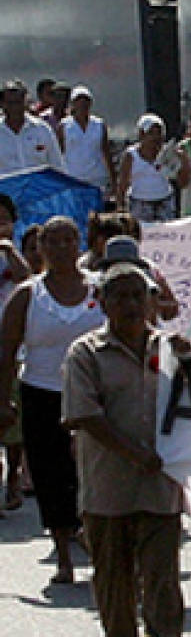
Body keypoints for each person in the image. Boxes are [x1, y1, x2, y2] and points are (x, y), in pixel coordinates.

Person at [61, 251, 187, 637]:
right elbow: (84, 416)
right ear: (102, 303)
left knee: (163, 585)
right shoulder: (85, 353)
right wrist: (136, 454)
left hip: (160, 489)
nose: (130, 305)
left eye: (137, 296)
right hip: (108, 492)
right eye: (119, 297)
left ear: (152, 300)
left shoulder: (172, 350)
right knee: (115, 587)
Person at [0, 216, 105, 584]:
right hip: (41, 394)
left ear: (79, 244)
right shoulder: (29, 296)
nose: (62, 248)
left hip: (93, 395)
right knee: (50, 474)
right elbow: (8, 351)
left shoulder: (99, 289)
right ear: (41, 249)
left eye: (68, 240)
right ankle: (63, 554)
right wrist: (3, 401)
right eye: (53, 242)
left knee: (90, 473)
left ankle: (94, 540)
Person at [0, 194, 30, 511]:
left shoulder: (19, 253)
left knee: (13, 421)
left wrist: (9, 250)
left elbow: (28, 281)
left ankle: (13, 481)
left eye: (4, 219)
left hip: (14, 351)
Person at [116, 113, 190, 222]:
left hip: (164, 203)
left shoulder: (169, 154)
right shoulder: (131, 155)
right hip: (139, 203)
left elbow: (181, 182)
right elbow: (123, 183)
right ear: (142, 135)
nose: (155, 137)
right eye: (151, 133)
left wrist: (184, 163)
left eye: (158, 133)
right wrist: (120, 206)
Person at [59, 85, 115, 197]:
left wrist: (113, 178)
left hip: (97, 177)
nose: (82, 104)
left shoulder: (99, 124)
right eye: (78, 101)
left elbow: (106, 151)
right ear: (73, 104)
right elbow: (59, 152)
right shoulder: (64, 125)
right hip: (73, 177)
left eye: (85, 101)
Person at [0, 79, 64, 175]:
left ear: (25, 102)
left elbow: (57, 166)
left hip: (38, 188)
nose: (15, 107)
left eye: (18, 102)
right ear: (2, 104)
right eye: (10, 103)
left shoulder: (42, 129)